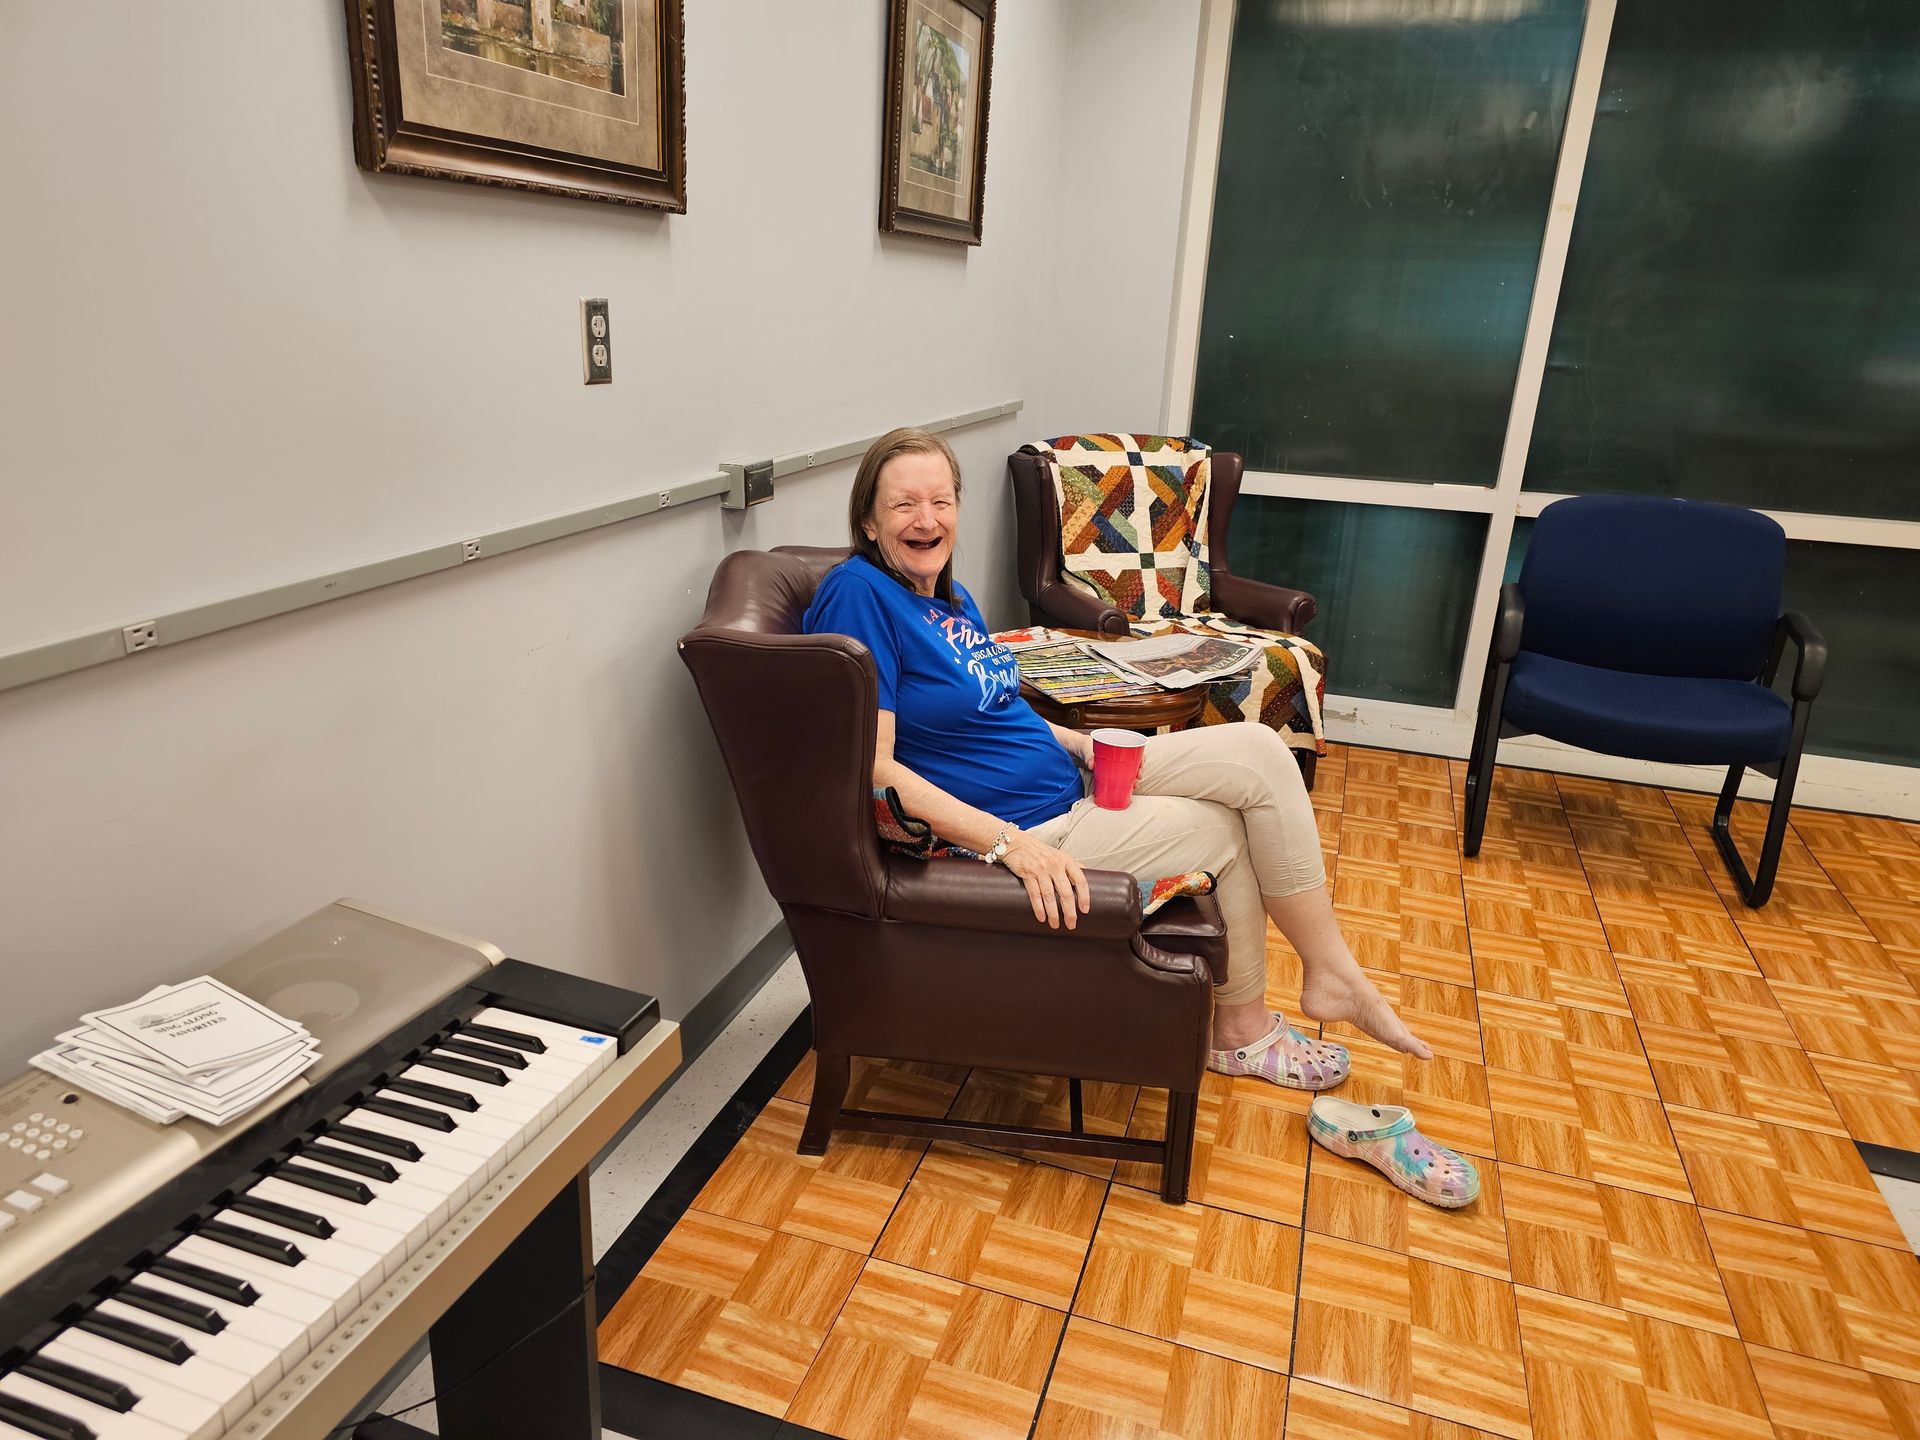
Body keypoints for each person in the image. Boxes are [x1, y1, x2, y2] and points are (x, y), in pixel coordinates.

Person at [802, 427, 1432, 1089]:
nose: (926, 520)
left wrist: (1079, 742)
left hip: (1074, 779)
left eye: (941, 501)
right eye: (904, 504)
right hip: (1030, 826)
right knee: (1223, 830)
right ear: (868, 521)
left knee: (1258, 751)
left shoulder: (948, 600)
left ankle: (1327, 972)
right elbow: (872, 768)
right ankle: (1242, 1031)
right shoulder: (859, 595)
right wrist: (1010, 845)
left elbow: (998, 709)